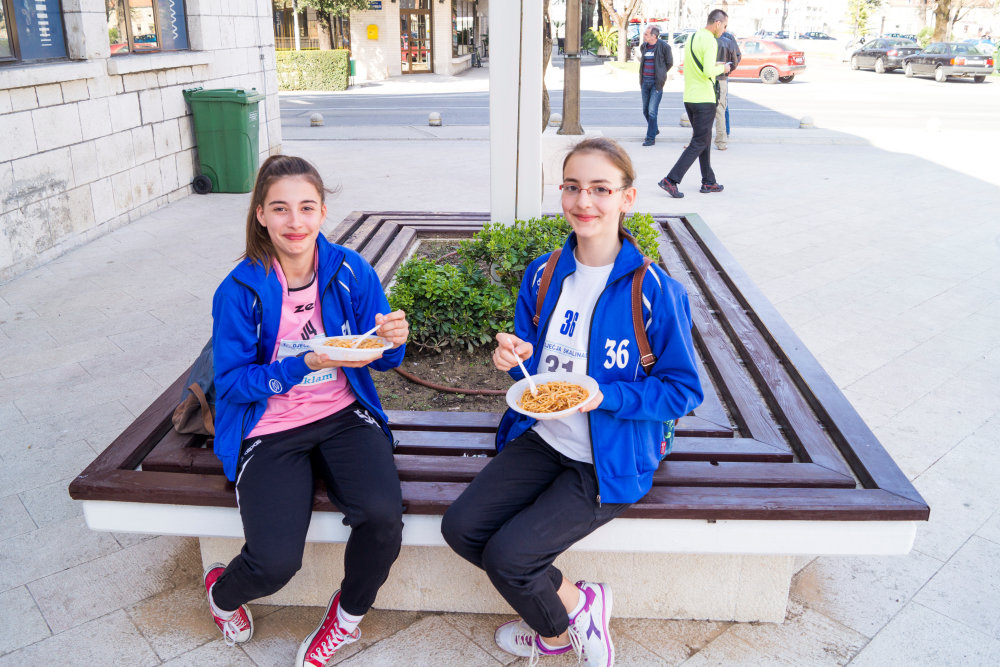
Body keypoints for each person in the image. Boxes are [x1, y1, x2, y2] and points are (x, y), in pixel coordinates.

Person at [441, 137, 703, 666]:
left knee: (510, 558)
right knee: (462, 529)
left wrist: (608, 394)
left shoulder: (656, 291)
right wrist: (511, 353)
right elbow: (531, 356)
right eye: (573, 187)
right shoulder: (544, 273)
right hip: (543, 437)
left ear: (627, 198)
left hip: (610, 457)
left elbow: (683, 390)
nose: (584, 201)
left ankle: (556, 632)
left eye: (601, 189)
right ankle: (579, 606)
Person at [204, 155, 409, 667]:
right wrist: (304, 364)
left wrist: (394, 339)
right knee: (274, 563)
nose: (295, 221)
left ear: (322, 212)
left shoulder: (349, 270)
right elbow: (231, 384)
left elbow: (383, 357)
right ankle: (221, 595)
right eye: (280, 208)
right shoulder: (239, 290)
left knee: (383, 519)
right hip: (269, 425)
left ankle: (346, 618)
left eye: (306, 207)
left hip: (342, 414)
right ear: (260, 215)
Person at [658, 9, 732, 198]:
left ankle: (708, 181)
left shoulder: (692, 37)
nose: (724, 30)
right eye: (724, 26)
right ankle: (671, 179)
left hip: (690, 97)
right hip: (704, 99)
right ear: (717, 23)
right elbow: (708, 71)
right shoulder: (711, 41)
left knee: (703, 139)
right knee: (699, 141)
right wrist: (723, 68)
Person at [638, 25, 673, 146]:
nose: (644, 36)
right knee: (645, 110)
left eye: (646, 34)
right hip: (645, 82)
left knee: (652, 111)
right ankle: (654, 129)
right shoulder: (644, 46)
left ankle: (650, 138)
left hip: (656, 84)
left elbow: (669, 63)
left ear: (654, 36)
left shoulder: (664, 47)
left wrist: (661, 73)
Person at [714, 30, 741, 150]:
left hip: (708, 78)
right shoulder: (728, 39)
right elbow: (736, 58)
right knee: (722, 108)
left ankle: (700, 139)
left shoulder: (706, 38)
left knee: (704, 110)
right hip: (722, 77)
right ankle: (722, 139)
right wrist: (727, 70)